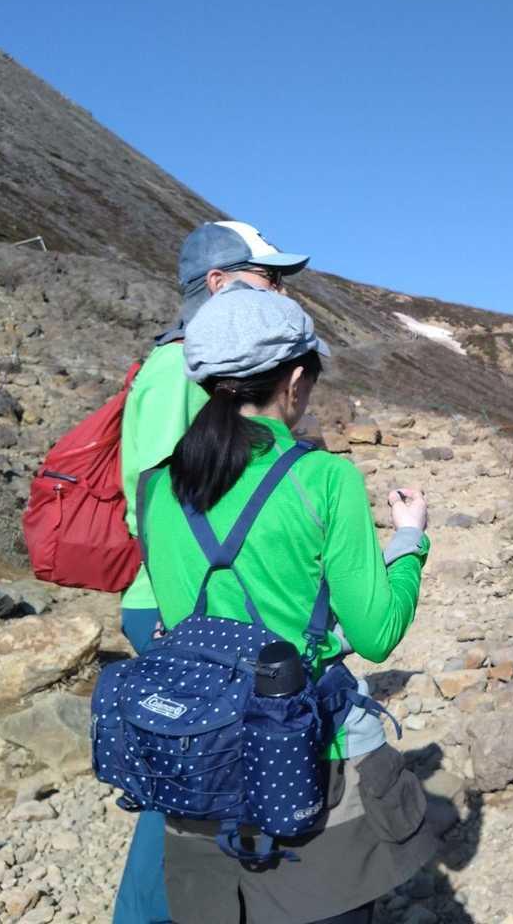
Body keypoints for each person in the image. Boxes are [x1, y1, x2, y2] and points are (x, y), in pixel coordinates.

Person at [138, 287, 437, 923]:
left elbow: (187, 618)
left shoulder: (155, 487)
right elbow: (377, 632)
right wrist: (409, 540)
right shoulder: (325, 478)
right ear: (296, 381)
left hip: (199, 764)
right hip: (308, 762)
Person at [114, 220, 311, 924]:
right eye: (268, 278)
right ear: (219, 283)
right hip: (181, 604)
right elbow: (153, 504)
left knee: (210, 765)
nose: (279, 292)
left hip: (208, 602)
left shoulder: (210, 372)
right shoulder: (178, 372)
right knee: (184, 777)